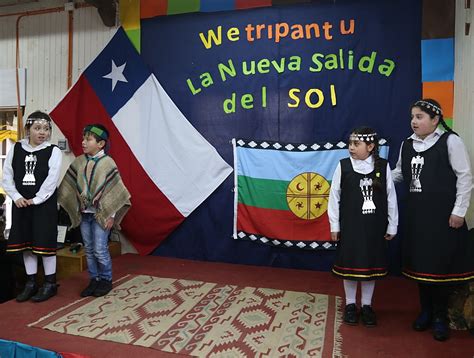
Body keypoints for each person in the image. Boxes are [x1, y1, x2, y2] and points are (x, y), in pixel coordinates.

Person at [392, 98, 474, 341]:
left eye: (419, 117)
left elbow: (465, 177)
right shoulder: (407, 144)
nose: (413, 122)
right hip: (417, 217)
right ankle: (425, 311)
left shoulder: (451, 141)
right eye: (412, 117)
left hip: (444, 218)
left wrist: (459, 211)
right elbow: (397, 173)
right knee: (422, 266)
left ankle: (440, 317)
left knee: (441, 267)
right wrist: (370, 175)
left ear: (435, 119)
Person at [328, 126, 398, 327]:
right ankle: (350, 304)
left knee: (369, 267)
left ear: (370, 146)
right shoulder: (343, 166)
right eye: (350, 143)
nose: (351, 147)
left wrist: (392, 225)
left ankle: (367, 305)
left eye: (356, 144)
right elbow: (334, 197)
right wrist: (334, 224)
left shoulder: (382, 167)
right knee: (350, 266)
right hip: (350, 226)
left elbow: (391, 198)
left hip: (374, 227)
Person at [58, 124, 130, 297]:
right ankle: (94, 279)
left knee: (100, 249)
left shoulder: (107, 163)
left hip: (101, 214)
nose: (83, 142)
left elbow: (114, 191)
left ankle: (106, 279)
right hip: (85, 214)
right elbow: (70, 185)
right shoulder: (80, 161)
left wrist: (111, 215)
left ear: (101, 143)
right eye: (83, 138)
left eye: (88, 139)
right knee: (89, 249)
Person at [2, 110, 62, 302]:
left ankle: (50, 283)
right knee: (27, 245)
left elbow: (51, 181)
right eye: (37, 128)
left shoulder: (54, 151)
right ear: (28, 129)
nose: (41, 132)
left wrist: (36, 199)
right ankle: (30, 282)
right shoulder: (17, 148)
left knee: (45, 245)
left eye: (46, 129)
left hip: (43, 206)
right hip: (21, 205)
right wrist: (17, 196)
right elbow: (7, 175)